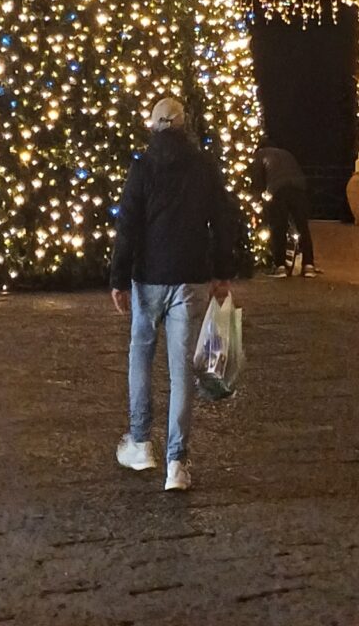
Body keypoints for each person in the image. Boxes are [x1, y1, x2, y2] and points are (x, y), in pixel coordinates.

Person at [110, 93, 241, 493]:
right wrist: (222, 272)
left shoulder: (143, 166)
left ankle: (139, 441)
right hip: (190, 276)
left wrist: (118, 277)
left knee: (141, 354)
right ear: (184, 125)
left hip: (148, 276)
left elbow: (128, 224)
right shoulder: (202, 166)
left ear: (153, 126)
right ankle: (177, 463)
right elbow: (223, 219)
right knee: (181, 370)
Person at [254, 141, 315, 278]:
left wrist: (258, 200)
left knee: (278, 227)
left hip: (278, 190)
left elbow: (258, 181)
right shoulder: (286, 153)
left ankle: (280, 266)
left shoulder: (259, 155)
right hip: (299, 187)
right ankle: (309, 265)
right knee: (302, 226)